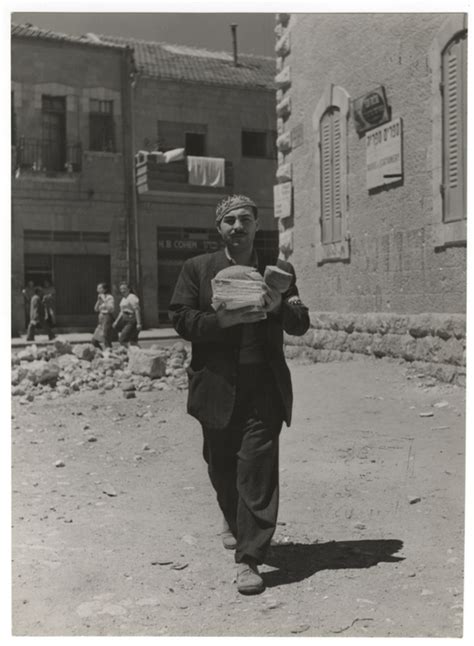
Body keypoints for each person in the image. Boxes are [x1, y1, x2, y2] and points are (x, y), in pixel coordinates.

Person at [169, 194, 309, 595]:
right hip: (216, 386)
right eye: (229, 220)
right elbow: (180, 318)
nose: (237, 227)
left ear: (256, 225)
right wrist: (222, 320)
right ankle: (232, 518)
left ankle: (248, 558)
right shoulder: (196, 269)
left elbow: (300, 323)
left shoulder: (279, 271)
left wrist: (281, 304)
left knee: (257, 470)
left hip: (263, 386)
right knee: (222, 467)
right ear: (219, 229)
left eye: (245, 219)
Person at [113, 282, 142, 346]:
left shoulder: (132, 297)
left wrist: (138, 323)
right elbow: (121, 311)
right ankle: (140, 354)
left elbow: (136, 310)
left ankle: (131, 352)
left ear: (129, 289)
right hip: (125, 320)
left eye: (124, 288)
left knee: (122, 340)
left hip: (132, 320)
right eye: (121, 289)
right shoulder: (123, 298)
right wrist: (116, 321)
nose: (122, 290)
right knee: (133, 341)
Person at [91, 282, 115, 350]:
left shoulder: (109, 297)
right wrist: (99, 301)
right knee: (94, 340)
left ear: (105, 289)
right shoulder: (100, 297)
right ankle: (101, 352)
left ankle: (109, 353)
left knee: (106, 337)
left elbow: (111, 308)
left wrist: (104, 300)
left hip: (107, 317)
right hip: (101, 319)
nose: (97, 289)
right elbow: (95, 309)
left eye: (100, 288)